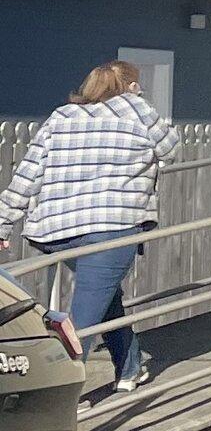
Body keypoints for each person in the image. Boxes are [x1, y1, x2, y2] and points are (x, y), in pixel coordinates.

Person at [0, 60, 180, 396]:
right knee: (82, 319)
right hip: (112, 227)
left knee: (102, 297)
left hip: (58, 230)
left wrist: (3, 222)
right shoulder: (137, 111)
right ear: (130, 86)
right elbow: (172, 150)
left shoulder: (62, 117)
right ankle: (53, 397)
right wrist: (137, 101)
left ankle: (129, 368)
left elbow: (29, 172)